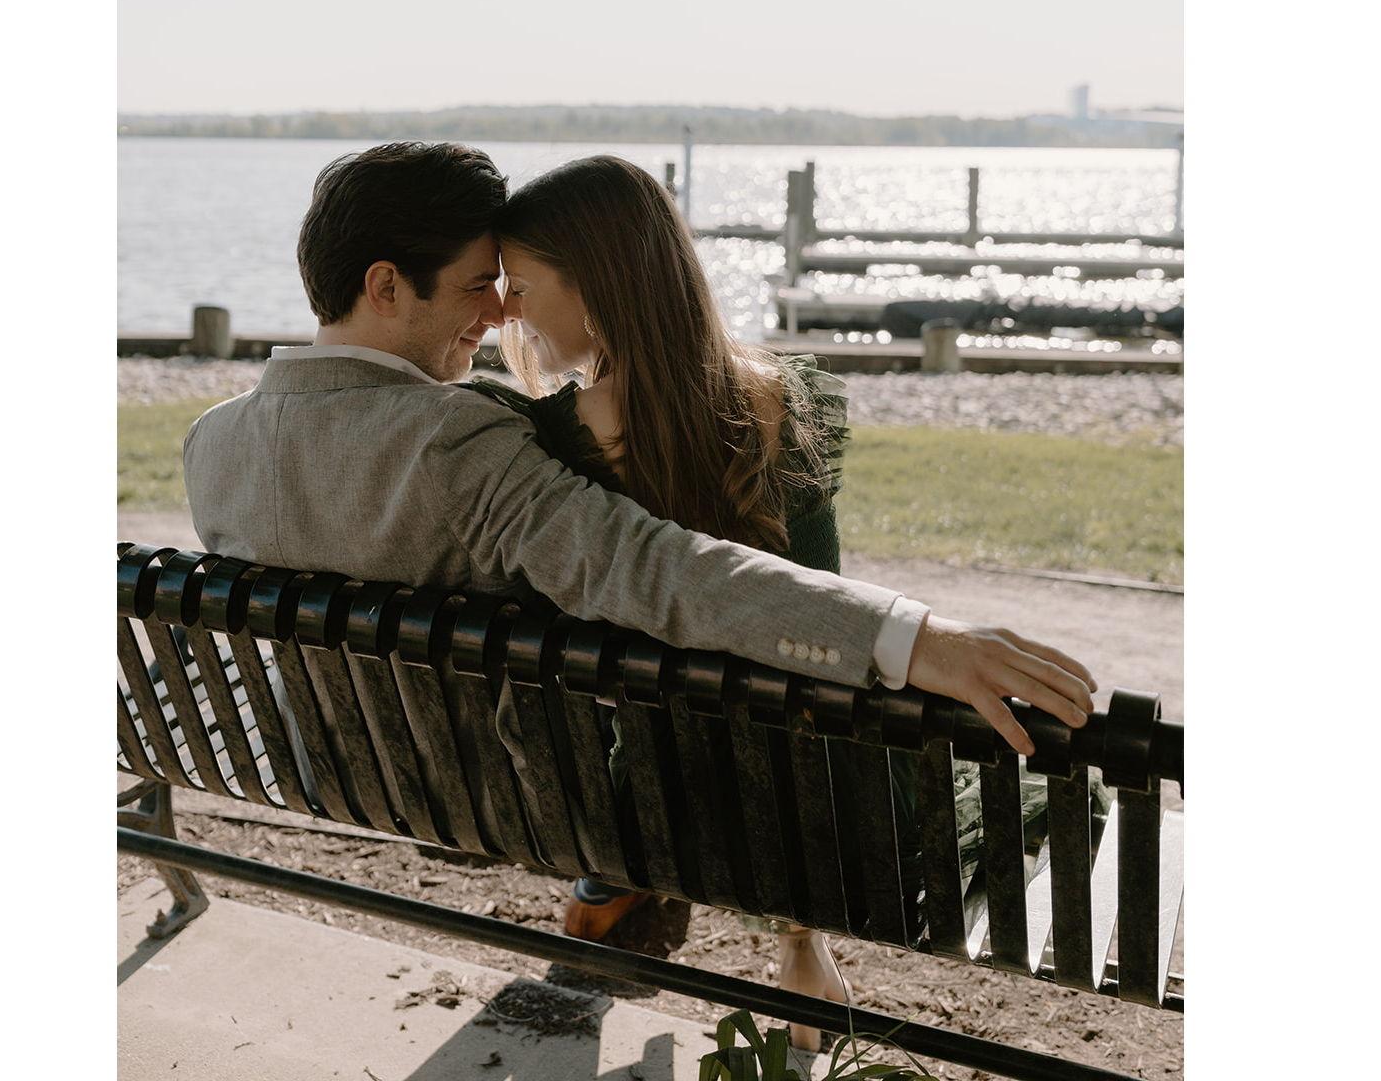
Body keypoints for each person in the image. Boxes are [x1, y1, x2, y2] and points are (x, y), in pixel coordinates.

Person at [182, 143, 1098, 1018]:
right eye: (475, 285)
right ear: (386, 283)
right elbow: (661, 572)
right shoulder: (455, 443)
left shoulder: (212, 447)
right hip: (540, 810)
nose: (498, 312)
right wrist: (914, 638)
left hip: (344, 778)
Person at [474, 155, 1069, 1049]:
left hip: (649, 805)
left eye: (520, 285)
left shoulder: (543, 442)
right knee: (811, 724)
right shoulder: (780, 405)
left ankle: (610, 888)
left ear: (596, 284)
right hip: (823, 813)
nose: (508, 309)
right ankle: (801, 944)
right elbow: (821, 606)